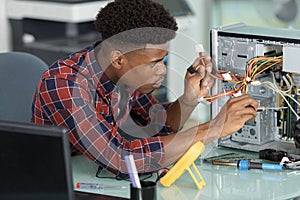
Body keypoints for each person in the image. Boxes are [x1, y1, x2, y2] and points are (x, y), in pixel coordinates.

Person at [32, 0, 258, 177]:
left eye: (164, 61)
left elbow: (157, 128)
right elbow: (122, 160)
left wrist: (188, 100)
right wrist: (214, 128)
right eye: (154, 63)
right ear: (118, 59)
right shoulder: (67, 86)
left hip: (97, 177)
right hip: (60, 185)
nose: (162, 71)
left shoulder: (123, 74)